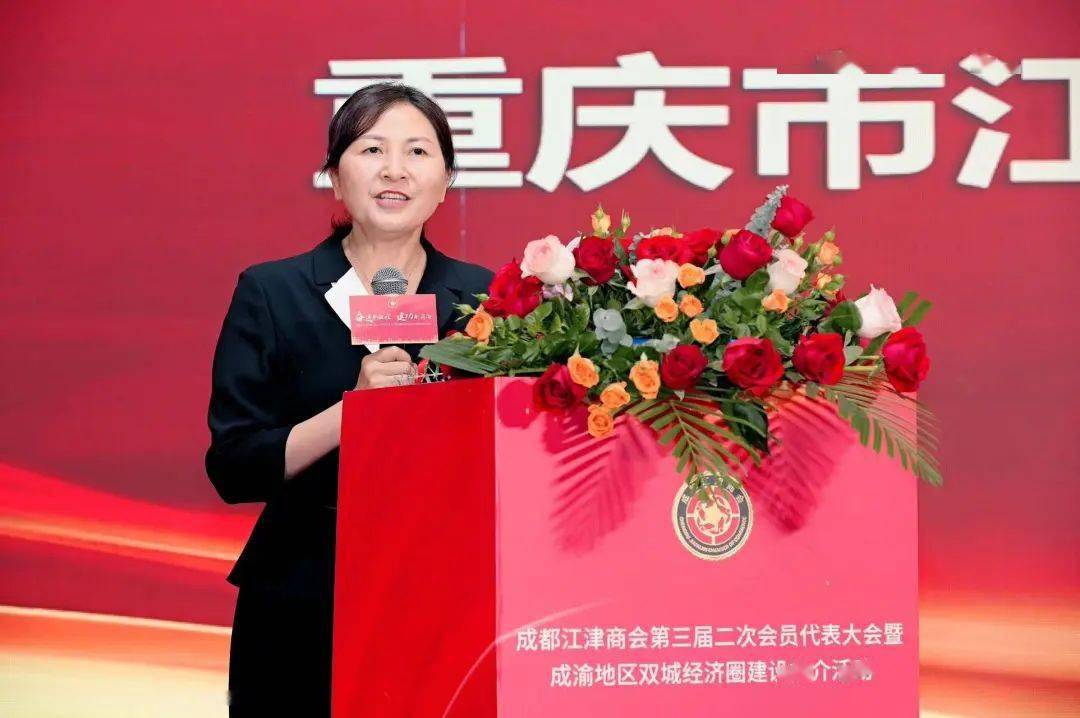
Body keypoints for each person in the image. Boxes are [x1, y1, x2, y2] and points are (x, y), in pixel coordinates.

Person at [205, 82, 493, 716]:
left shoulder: (484, 300)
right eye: (371, 150)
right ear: (335, 178)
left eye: (417, 151)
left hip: (445, 594)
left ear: (445, 182)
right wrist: (351, 413)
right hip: (305, 597)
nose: (394, 170)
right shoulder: (273, 292)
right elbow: (233, 466)